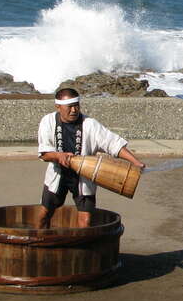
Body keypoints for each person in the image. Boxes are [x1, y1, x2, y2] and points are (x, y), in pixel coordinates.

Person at [36, 88, 145, 228]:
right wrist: (59, 155)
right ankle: (38, 242)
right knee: (44, 214)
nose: (74, 110)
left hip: (84, 176)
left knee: (86, 220)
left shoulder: (90, 124)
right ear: (58, 107)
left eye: (77, 105)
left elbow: (112, 143)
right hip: (57, 176)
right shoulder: (48, 121)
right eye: (70, 107)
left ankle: (79, 249)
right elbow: (44, 153)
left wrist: (136, 162)